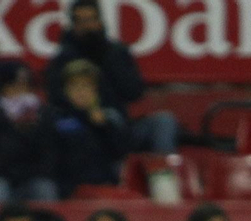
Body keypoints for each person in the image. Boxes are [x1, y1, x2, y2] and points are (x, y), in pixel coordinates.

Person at [44, 0, 177, 153]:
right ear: (73, 25)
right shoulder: (63, 59)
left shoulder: (116, 53)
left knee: (164, 122)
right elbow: (55, 98)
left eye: (91, 19)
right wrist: (87, 113)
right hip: (80, 127)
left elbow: (134, 92)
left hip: (119, 127)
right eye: (81, 21)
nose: (87, 26)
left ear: (99, 21)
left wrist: (111, 61)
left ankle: (164, 168)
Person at [0, 60, 59, 203]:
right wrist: (14, 129)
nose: (20, 92)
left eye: (26, 86)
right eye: (13, 85)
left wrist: (29, 130)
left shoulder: (42, 114)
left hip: (28, 179)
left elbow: (49, 154)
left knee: (44, 188)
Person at [50, 60, 131, 197]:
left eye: (86, 86)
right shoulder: (55, 119)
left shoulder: (109, 118)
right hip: (68, 188)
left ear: (96, 90)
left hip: (104, 186)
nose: (80, 92)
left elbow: (121, 154)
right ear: (65, 90)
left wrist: (103, 127)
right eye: (74, 86)